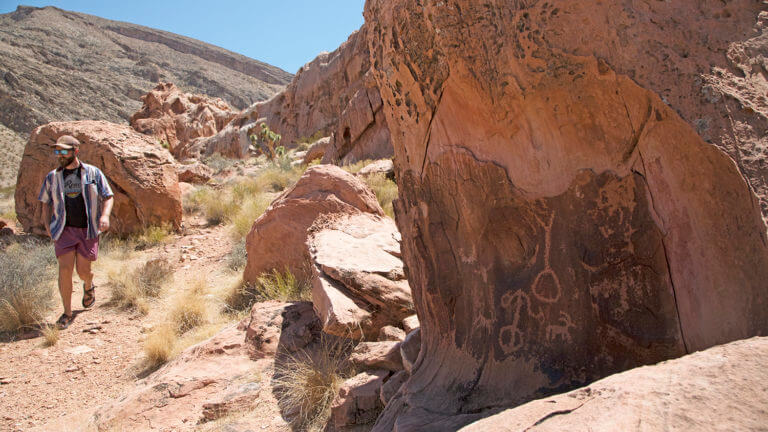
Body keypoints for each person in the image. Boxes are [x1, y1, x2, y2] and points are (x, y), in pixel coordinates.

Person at [38, 135, 114, 329]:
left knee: (83, 271)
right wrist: (47, 225)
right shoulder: (52, 177)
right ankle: (66, 312)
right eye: (57, 151)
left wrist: (105, 216)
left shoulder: (93, 173)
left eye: (64, 151)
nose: (60, 155)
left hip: (88, 230)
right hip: (63, 230)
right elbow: (45, 203)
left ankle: (88, 285)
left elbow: (108, 196)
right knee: (64, 269)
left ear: (75, 151)